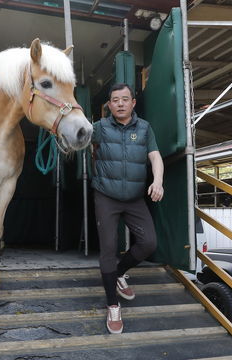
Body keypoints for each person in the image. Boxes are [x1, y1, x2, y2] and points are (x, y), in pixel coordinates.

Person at [91, 83, 164, 334]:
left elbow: (155, 156)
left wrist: (158, 181)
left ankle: (120, 272)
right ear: (109, 105)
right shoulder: (98, 128)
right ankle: (113, 304)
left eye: (125, 99)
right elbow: (77, 139)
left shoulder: (144, 128)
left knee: (149, 243)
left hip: (134, 198)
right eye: (115, 100)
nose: (120, 103)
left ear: (133, 103)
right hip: (106, 196)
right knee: (108, 249)